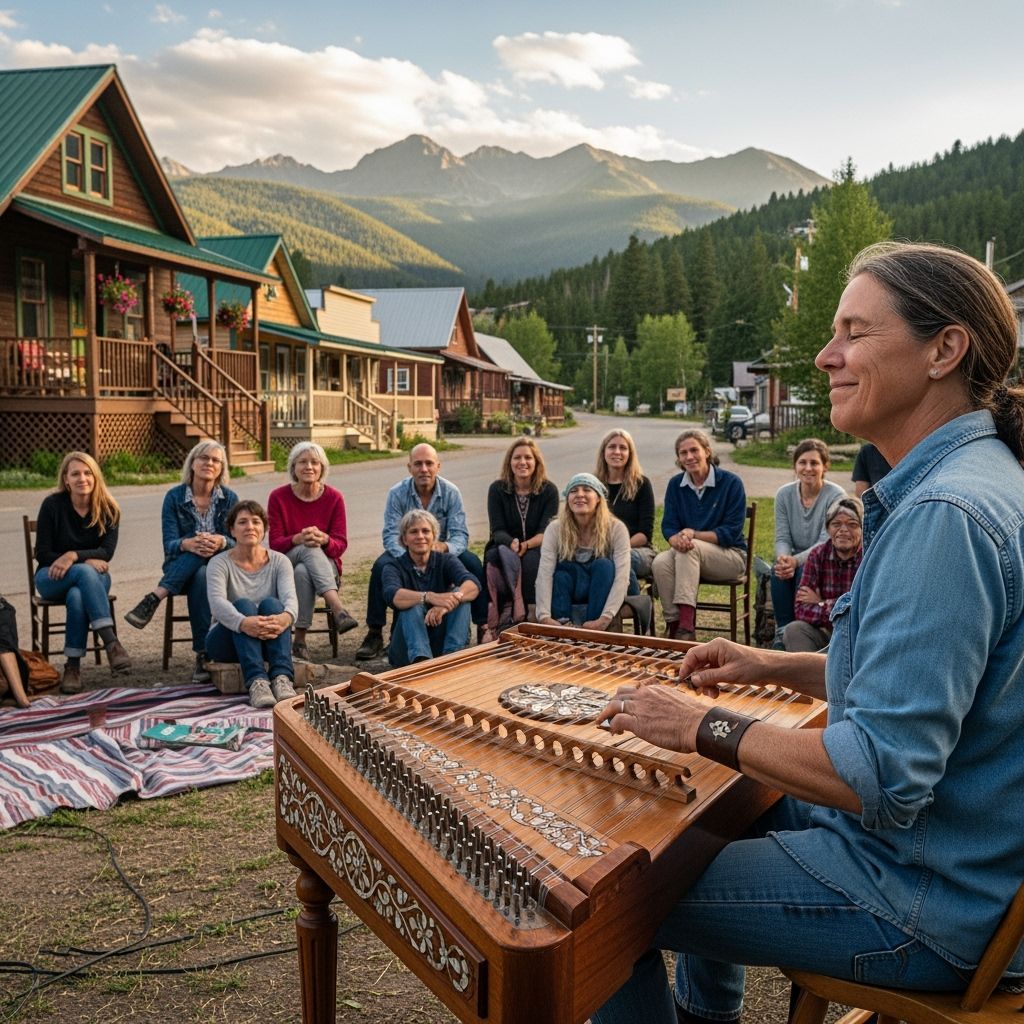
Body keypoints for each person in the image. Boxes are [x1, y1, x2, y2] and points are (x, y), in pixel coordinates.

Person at [593, 241, 1024, 1024]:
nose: (827, 356)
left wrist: (703, 724)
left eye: (855, 333)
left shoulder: (945, 518)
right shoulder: (980, 480)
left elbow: (884, 778)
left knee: (604, 902)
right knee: (711, 821)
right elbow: (933, 686)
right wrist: (771, 664)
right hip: (962, 857)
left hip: (927, 894)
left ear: (944, 350)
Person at [355, 443, 485, 660]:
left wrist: (443, 548)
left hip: (441, 550)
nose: (424, 469)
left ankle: (482, 624)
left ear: (438, 466)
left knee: (471, 563)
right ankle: (375, 631)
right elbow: (390, 533)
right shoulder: (397, 493)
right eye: (418, 464)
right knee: (381, 567)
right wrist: (409, 556)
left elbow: (460, 533)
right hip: (405, 550)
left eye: (429, 463)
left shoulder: (451, 492)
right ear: (409, 468)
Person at [123, 441, 238, 683]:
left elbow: (237, 542)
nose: (209, 463)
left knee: (205, 572)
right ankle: (204, 654)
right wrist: (188, 544)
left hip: (221, 569)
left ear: (221, 468)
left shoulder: (229, 498)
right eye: (204, 458)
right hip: (181, 572)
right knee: (199, 572)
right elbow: (170, 545)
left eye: (216, 460)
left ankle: (156, 596)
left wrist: (220, 542)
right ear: (192, 463)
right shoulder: (174, 497)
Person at [33, 451, 131, 693]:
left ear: (95, 477)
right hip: (51, 577)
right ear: (66, 479)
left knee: (78, 594)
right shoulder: (52, 505)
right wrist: (80, 560)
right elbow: (42, 553)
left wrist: (73, 556)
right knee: (84, 575)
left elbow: (106, 553)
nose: (82, 478)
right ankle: (111, 642)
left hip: (93, 580)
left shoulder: (109, 509)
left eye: (87, 473)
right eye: (75, 473)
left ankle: (73, 667)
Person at [651, 429, 747, 641]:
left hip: (730, 557)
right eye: (683, 453)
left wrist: (693, 535)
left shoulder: (731, 483)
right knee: (659, 562)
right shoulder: (676, 485)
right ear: (679, 458)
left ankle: (686, 627)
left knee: (689, 550)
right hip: (688, 556)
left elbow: (730, 533)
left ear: (707, 451)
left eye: (694, 450)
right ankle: (673, 624)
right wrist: (673, 538)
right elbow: (668, 525)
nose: (689, 457)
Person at [267, 442, 358, 661]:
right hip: (286, 563)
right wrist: (298, 538)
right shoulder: (278, 497)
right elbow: (276, 544)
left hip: (326, 569)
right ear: (293, 468)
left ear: (322, 468)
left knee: (303, 571)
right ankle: (338, 609)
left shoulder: (334, 497)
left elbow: (340, 545)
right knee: (307, 550)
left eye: (314, 462)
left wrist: (325, 539)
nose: (309, 467)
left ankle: (299, 641)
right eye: (303, 462)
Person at [206, 500, 298, 708]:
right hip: (226, 640)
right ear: (232, 529)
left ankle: (282, 679)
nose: (250, 527)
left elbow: (290, 599)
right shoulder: (219, 563)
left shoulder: (280, 561)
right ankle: (257, 682)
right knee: (244, 605)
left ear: (264, 529)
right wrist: (244, 622)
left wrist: (285, 618)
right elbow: (217, 604)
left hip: (269, 638)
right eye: (242, 522)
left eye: (256, 522)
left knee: (273, 605)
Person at [769, 438, 848, 643]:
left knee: (803, 570)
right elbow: (782, 535)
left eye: (814, 463)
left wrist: (796, 562)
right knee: (778, 570)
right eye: (802, 462)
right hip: (794, 554)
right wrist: (785, 559)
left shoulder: (835, 495)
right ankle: (782, 631)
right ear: (795, 466)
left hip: (825, 557)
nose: (808, 468)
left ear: (825, 467)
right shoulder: (784, 494)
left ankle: (802, 629)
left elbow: (826, 539)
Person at [482, 436, 559, 640]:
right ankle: (495, 621)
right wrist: (512, 543)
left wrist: (526, 545)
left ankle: (529, 617)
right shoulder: (497, 489)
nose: (522, 462)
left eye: (528, 457)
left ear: (536, 462)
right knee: (494, 558)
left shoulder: (548, 490)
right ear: (510, 462)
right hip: (505, 544)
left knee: (532, 560)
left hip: (537, 544)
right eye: (517, 458)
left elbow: (546, 531)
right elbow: (497, 529)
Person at [382, 509, 479, 668]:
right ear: (404, 539)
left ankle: (453, 657)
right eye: (413, 532)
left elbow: (473, 585)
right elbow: (393, 595)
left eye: (425, 531)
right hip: (406, 650)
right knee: (411, 605)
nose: (420, 536)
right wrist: (427, 597)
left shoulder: (446, 560)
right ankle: (422, 662)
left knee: (461, 596)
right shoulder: (393, 566)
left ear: (434, 536)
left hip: (441, 644)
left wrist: (446, 604)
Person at [535, 473, 630, 631]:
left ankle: (592, 630)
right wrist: (543, 616)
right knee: (561, 572)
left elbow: (622, 577)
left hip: (604, 586)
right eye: (573, 491)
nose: (580, 495)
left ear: (598, 498)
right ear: (567, 499)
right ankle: (563, 626)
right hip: (573, 586)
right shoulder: (555, 528)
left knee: (604, 565)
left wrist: (605, 618)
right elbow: (544, 574)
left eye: (587, 490)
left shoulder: (616, 528)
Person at [783, 495, 863, 652]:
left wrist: (821, 602)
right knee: (794, 630)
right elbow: (800, 609)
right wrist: (843, 607)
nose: (843, 530)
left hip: (859, 633)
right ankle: (808, 675)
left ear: (862, 528)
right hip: (825, 632)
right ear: (828, 529)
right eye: (836, 524)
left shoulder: (870, 557)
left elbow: (864, 608)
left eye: (852, 524)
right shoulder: (817, 555)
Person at [594, 428, 656, 595]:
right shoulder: (593, 484)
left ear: (630, 453)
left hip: (637, 550)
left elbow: (645, 534)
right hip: (599, 550)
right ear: (603, 452)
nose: (617, 452)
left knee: (618, 559)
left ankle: (632, 609)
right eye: (612, 447)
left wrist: (617, 547)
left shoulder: (641, 484)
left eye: (623, 448)